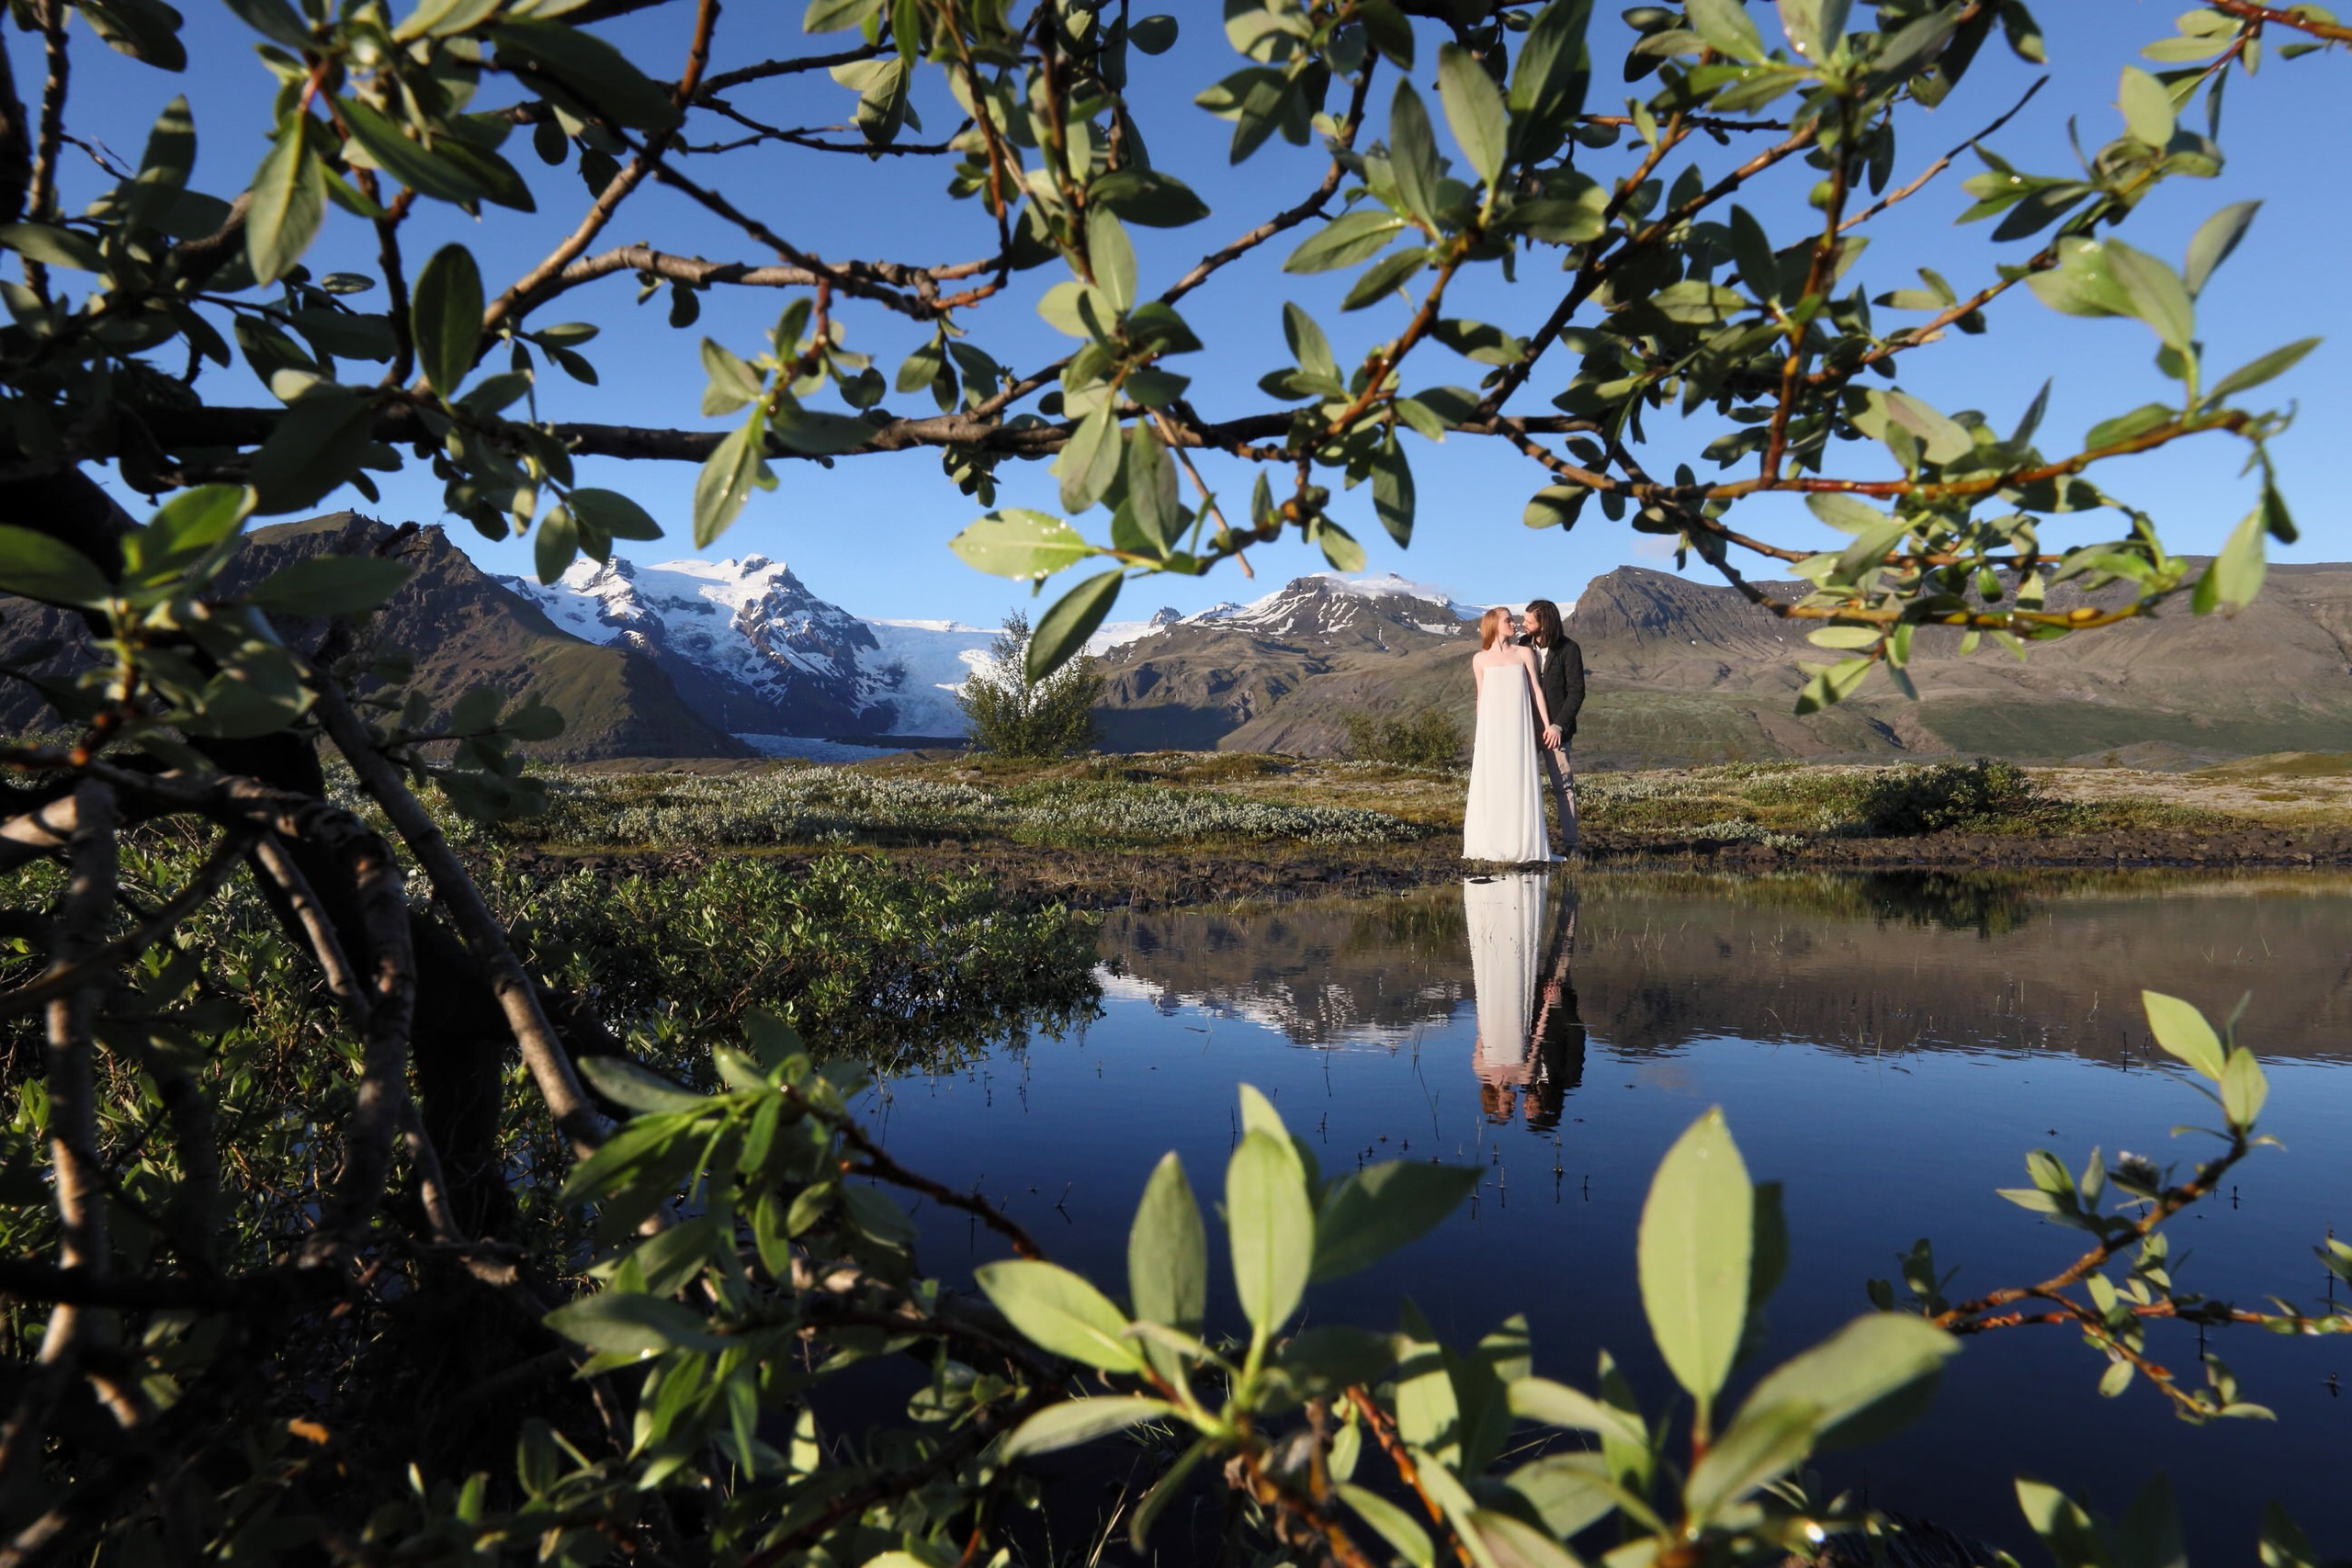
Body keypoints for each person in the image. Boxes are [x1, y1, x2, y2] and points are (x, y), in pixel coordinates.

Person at [1463, 605, 1552, 864]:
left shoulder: (1524, 653)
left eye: (1513, 620)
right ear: (1494, 624)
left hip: (1518, 726)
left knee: (1516, 777)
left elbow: (1536, 690)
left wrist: (1546, 725)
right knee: (1494, 781)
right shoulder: (1479, 659)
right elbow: (1481, 696)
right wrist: (1480, 734)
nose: (1514, 624)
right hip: (1492, 728)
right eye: (1508, 620)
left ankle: (1519, 842)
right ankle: (1492, 840)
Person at [1516, 598, 1585, 856]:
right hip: (1525, 728)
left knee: (1563, 786)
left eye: (1528, 621)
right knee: (1522, 785)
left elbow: (1576, 692)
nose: (1523, 624)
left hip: (1556, 731)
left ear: (1543, 624)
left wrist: (1557, 726)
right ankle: (1527, 843)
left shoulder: (1569, 650)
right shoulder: (1522, 645)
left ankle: (1571, 845)